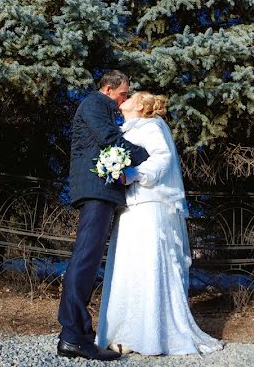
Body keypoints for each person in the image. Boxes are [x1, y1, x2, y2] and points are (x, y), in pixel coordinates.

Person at [96, 91, 223, 356]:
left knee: (145, 264)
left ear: (141, 106)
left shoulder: (151, 126)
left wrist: (133, 174)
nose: (126, 98)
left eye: (132, 96)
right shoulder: (126, 129)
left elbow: (163, 158)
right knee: (127, 266)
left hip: (148, 204)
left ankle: (150, 335)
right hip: (130, 206)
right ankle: (121, 331)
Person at [57, 70, 149, 361]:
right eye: (124, 92)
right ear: (109, 89)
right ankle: (72, 336)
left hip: (100, 191)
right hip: (95, 189)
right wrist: (147, 154)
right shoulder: (96, 104)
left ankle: (78, 335)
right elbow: (110, 139)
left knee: (88, 259)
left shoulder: (104, 107)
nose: (125, 98)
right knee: (85, 259)